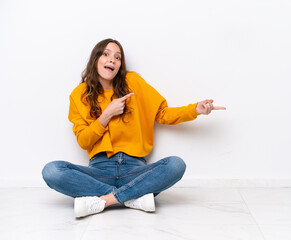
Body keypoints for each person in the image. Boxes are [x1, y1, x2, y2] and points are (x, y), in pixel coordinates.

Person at [42, 38, 226, 218]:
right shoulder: (79, 95)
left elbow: (162, 114)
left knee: (176, 164)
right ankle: (133, 197)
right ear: (95, 59)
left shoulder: (133, 82)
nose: (112, 59)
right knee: (51, 170)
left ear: (120, 64)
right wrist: (106, 115)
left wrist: (195, 109)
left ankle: (106, 200)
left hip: (135, 169)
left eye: (117, 57)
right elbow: (83, 141)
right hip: (99, 171)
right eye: (106, 54)